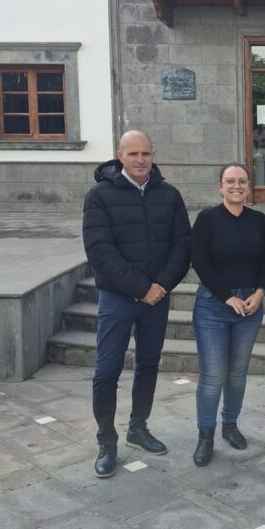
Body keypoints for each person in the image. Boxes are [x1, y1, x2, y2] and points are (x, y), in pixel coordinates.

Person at [82, 130, 191, 478]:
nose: (140, 160)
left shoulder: (169, 195)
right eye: (133, 154)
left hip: (156, 298)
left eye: (146, 153)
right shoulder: (99, 196)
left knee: (148, 365)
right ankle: (106, 441)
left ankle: (138, 427)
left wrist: (160, 287)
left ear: (153, 154)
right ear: (120, 155)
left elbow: (182, 246)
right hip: (117, 298)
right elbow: (100, 251)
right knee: (106, 371)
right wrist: (142, 288)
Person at [190, 163, 265, 467]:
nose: (236, 186)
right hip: (213, 306)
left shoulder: (258, 220)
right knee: (213, 375)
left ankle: (230, 424)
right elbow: (199, 260)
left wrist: (260, 293)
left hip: (249, 307)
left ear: (249, 186)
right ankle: (206, 435)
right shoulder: (207, 219)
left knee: (237, 373)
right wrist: (227, 297)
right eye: (230, 181)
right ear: (220, 187)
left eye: (242, 181)